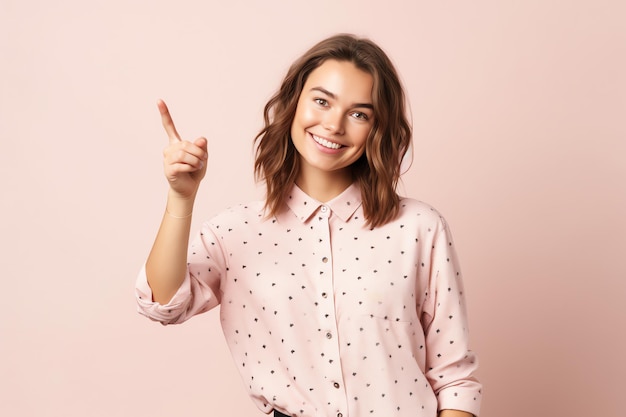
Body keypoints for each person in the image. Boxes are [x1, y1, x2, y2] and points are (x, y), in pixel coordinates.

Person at [136, 34, 482, 417]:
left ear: (377, 128)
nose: (333, 124)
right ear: (293, 104)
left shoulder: (419, 227)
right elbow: (162, 303)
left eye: (359, 114)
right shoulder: (235, 232)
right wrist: (182, 198)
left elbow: (454, 379)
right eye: (322, 101)